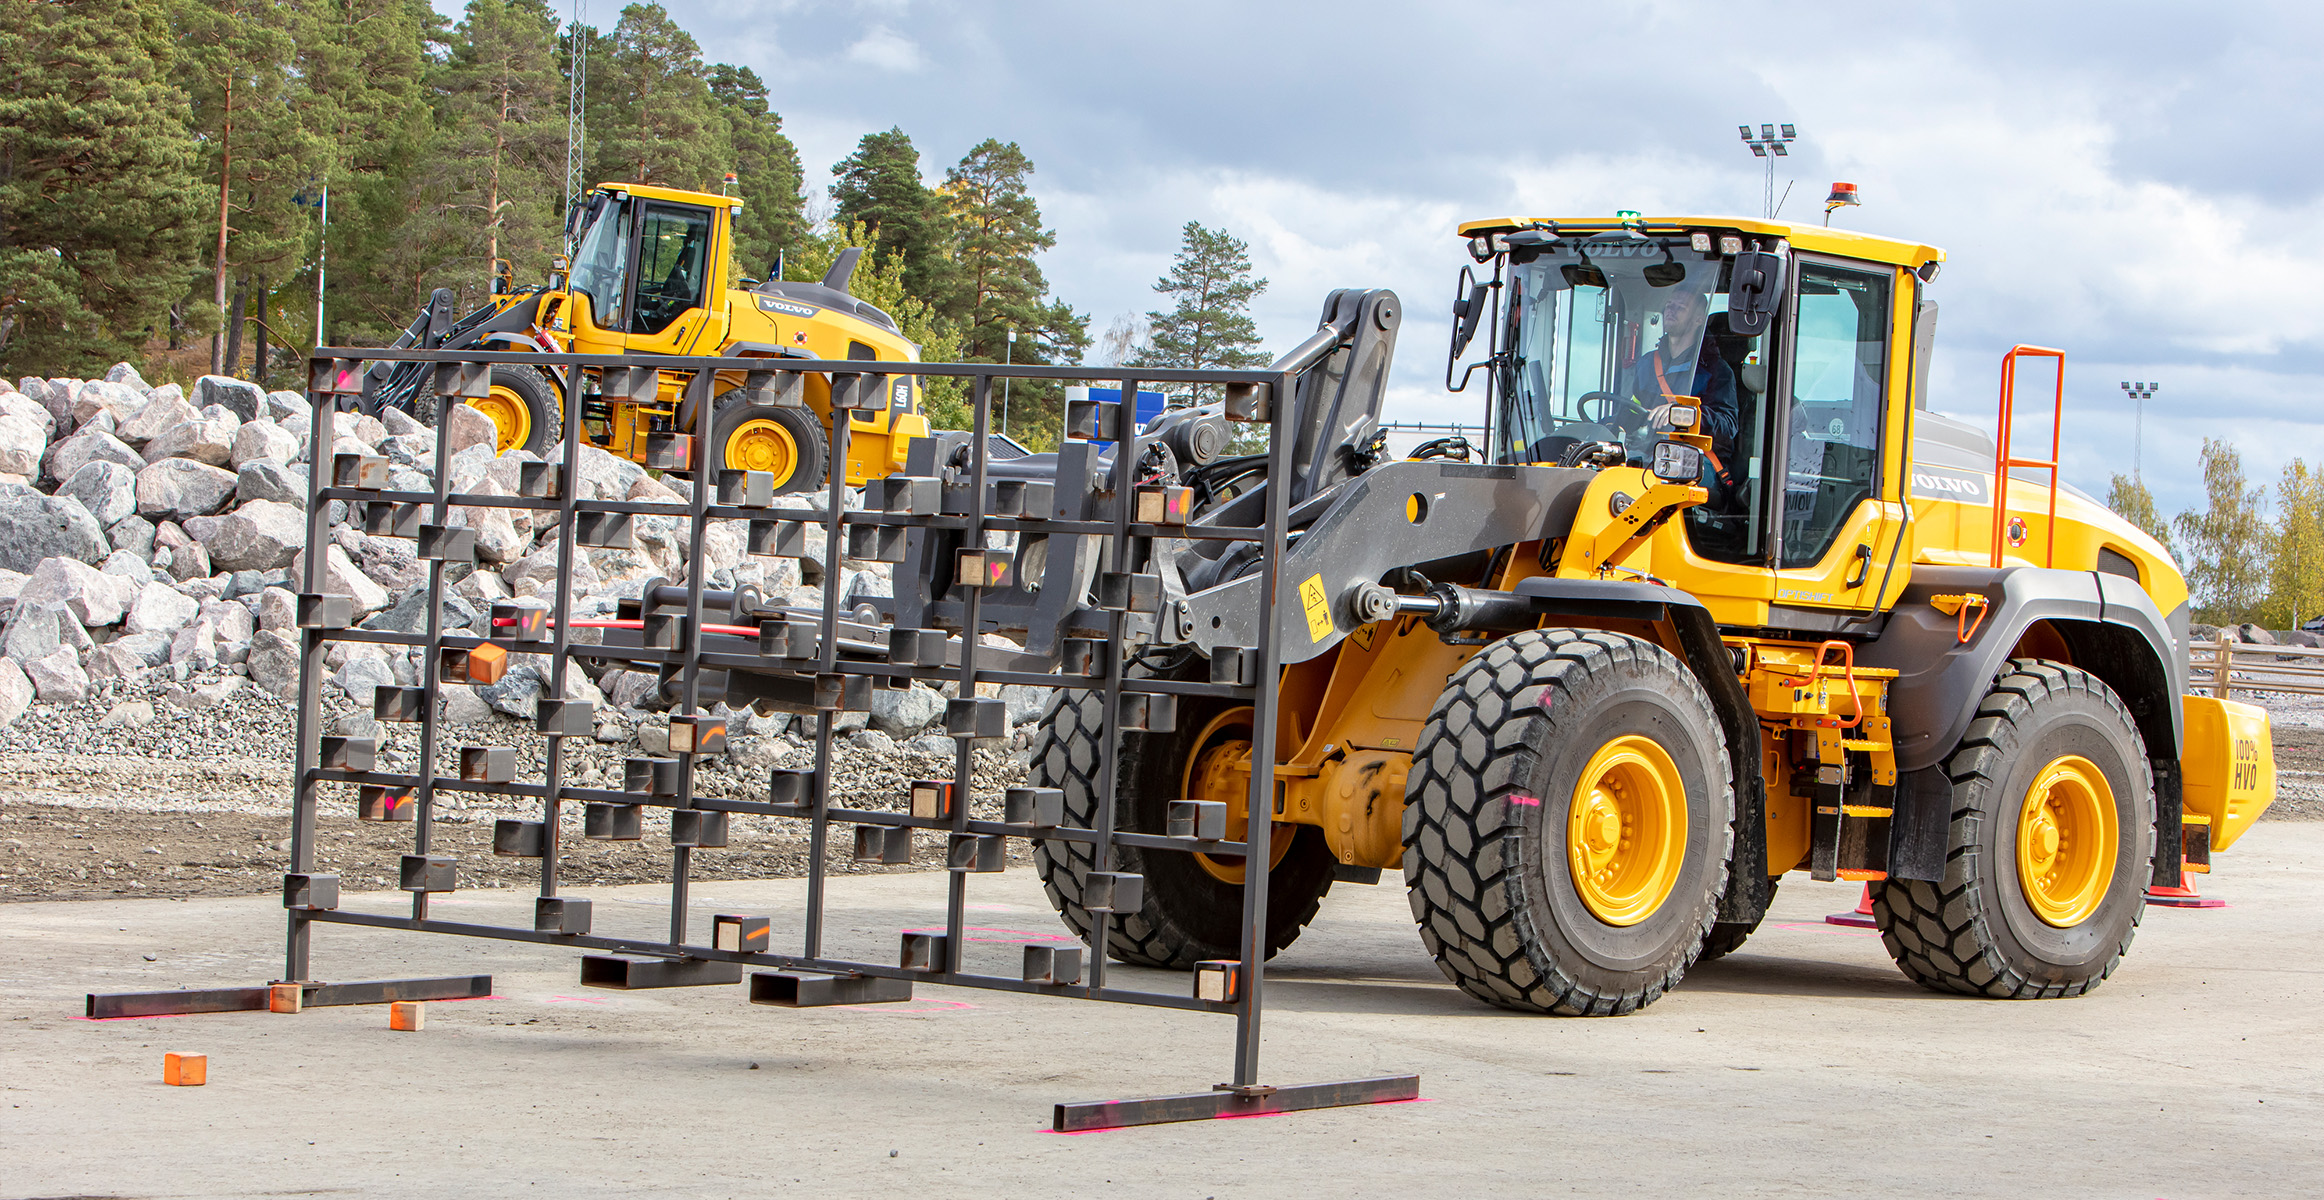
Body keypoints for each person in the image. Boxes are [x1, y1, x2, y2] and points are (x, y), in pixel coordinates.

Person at [1638, 288, 1740, 502]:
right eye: (1669, 305)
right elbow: (1631, 408)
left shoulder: (1717, 371)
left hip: (1696, 460)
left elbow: (1728, 426)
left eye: (1680, 308)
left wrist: (1682, 415)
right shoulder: (1646, 364)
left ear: (1698, 319)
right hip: (1650, 452)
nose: (1671, 311)